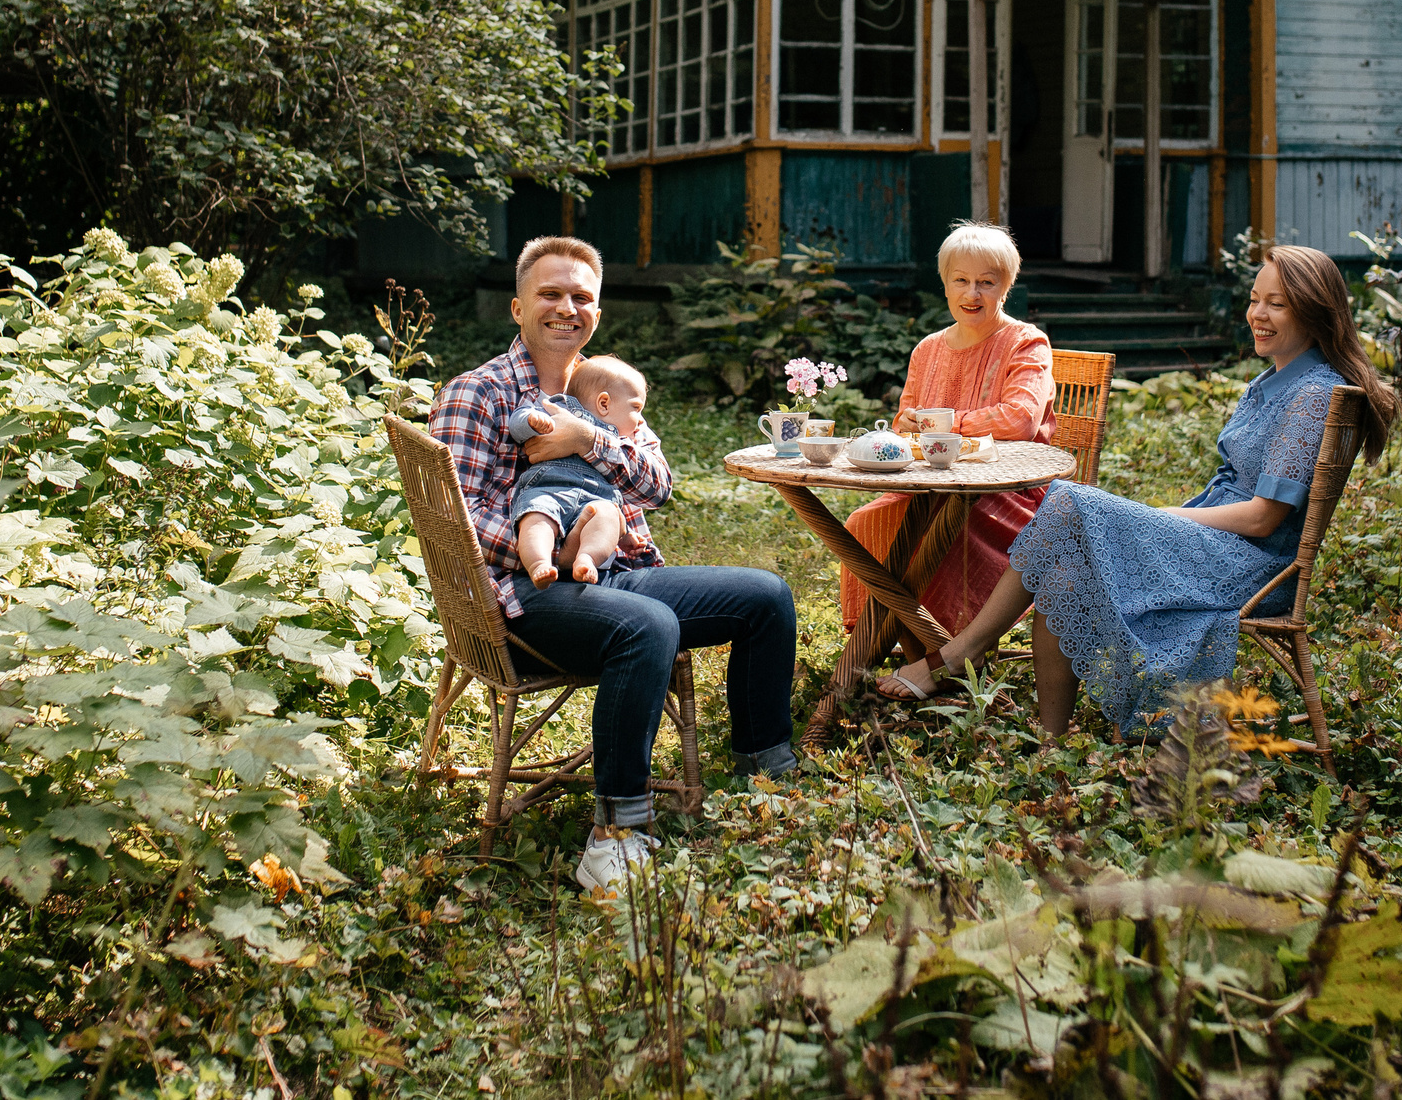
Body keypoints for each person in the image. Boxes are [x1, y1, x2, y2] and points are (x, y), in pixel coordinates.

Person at [877, 244, 1399, 737]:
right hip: (1218, 545)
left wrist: (1167, 515)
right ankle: (1050, 742)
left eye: (1276, 304)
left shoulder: (1312, 394)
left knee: (1070, 500)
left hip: (1251, 566)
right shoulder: (1275, 381)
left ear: (1313, 311)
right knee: (1062, 562)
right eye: (1254, 299)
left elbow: (1264, 519)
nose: (1257, 314)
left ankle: (963, 650)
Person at [430, 237, 799, 895]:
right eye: (550, 293)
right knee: (648, 625)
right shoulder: (478, 393)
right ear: (518, 306)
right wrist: (554, 547)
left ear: (597, 311)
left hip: (619, 573)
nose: (566, 307)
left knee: (767, 596)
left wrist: (589, 439)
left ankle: (763, 774)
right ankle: (615, 835)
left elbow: (657, 482)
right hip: (526, 590)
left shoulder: (608, 389)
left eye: (582, 297)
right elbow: (458, 519)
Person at [852, 222, 1056, 669]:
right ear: (944, 284)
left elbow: (1019, 421)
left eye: (987, 282)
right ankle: (911, 645)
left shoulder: (1027, 342)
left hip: (1008, 494)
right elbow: (905, 424)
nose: (973, 293)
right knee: (866, 522)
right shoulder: (927, 349)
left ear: (1007, 284)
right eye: (961, 280)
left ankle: (944, 656)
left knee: (935, 529)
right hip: (931, 485)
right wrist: (912, 427)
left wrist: (945, 424)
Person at [506, 356, 652, 587]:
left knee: (608, 517)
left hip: (597, 500)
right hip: (549, 488)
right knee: (537, 518)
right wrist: (532, 421)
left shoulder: (620, 441)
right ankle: (539, 564)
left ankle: (586, 560)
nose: (641, 421)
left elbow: (655, 487)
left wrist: (623, 536)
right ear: (604, 403)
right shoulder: (563, 408)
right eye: (636, 408)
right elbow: (518, 420)